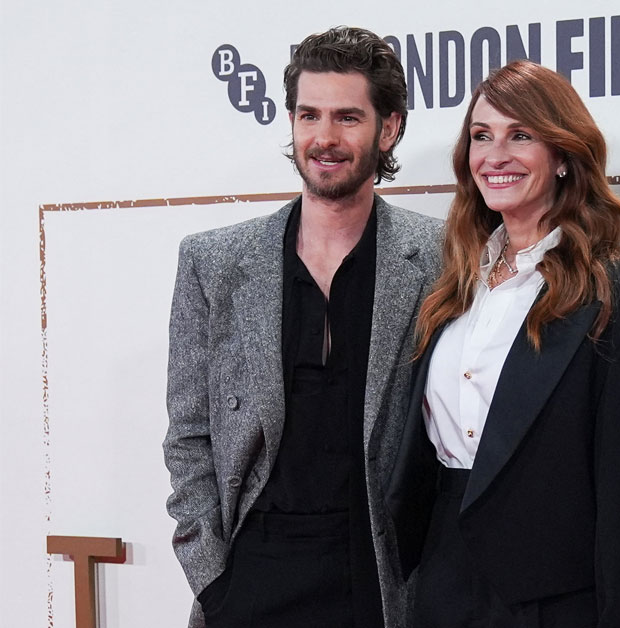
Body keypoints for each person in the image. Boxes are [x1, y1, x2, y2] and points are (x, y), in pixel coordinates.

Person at [163, 26, 441, 628]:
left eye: (347, 117)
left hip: (381, 578)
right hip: (251, 577)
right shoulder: (214, 263)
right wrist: (213, 580)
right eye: (308, 115)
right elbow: (187, 435)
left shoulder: (442, 257)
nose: (324, 138)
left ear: (387, 129)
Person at [385, 60, 620, 628]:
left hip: (555, 601)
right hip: (442, 585)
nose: (495, 155)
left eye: (521, 135)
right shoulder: (451, 285)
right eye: (480, 136)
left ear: (564, 156)